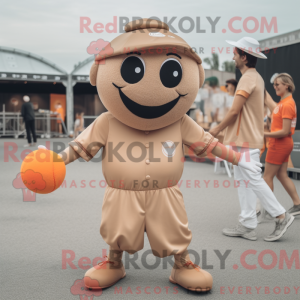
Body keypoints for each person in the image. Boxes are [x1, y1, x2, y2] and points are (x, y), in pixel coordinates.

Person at [34, 19, 262, 292]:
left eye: (172, 73)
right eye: (132, 70)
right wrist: (54, 160)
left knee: (174, 229)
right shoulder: (108, 121)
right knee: (117, 228)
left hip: (165, 192)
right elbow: (78, 146)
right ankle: (114, 262)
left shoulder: (179, 122)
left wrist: (240, 159)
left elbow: (209, 144)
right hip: (121, 191)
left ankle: (182, 264)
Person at [209, 37, 294, 242]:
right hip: (244, 140)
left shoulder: (247, 78)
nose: (233, 56)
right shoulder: (257, 78)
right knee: (244, 181)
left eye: (235, 53)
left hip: (244, 140)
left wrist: (215, 130)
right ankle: (247, 224)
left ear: (244, 56)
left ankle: (281, 216)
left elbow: (234, 111)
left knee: (252, 179)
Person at [263, 73, 300, 216]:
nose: (275, 86)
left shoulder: (287, 104)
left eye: (277, 84)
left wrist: (264, 134)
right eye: (274, 84)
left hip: (279, 144)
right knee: (282, 175)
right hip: (281, 144)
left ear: (287, 86)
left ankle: (270, 210)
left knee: (267, 177)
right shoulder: (283, 103)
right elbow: (268, 100)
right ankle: (297, 204)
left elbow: (285, 131)